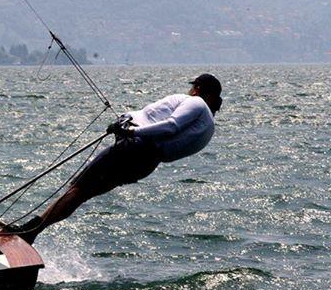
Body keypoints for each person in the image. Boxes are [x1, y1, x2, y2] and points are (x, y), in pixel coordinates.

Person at [11, 73, 223, 244]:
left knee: (77, 188)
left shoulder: (197, 103)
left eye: (193, 87)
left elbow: (170, 126)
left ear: (199, 90)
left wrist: (131, 133)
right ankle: (32, 232)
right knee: (81, 194)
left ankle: (29, 231)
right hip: (146, 163)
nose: (190, 91)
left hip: (134, 150)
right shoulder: (208, 128)